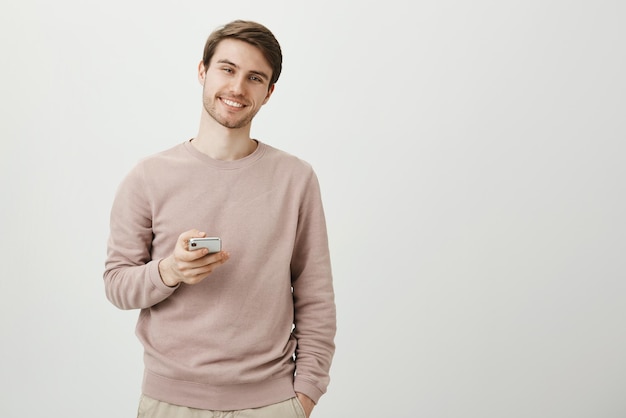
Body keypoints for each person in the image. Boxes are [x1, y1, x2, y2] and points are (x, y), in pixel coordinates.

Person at [103, 20, 336, 418]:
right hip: (170, 402)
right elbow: (117, 284)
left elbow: (316, 297)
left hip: (272, 403)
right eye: (227, 69)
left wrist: (306, 395)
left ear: (268, 93)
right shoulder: (148, 177)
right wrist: (170, 270)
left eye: (254, 77)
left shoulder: (296, 179)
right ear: (202, 72)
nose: (237, 88)